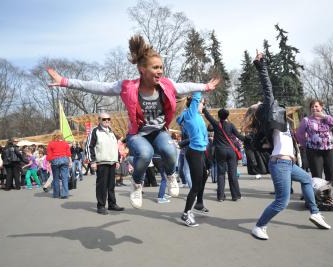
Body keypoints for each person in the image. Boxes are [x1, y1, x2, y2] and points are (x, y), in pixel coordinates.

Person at [47, 35, 219, 209]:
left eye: (161, 67)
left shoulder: (166, 85)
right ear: (142, 69)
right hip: (138, 134)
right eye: (155, 67)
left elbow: (186, 86)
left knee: (170, 150)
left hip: (159, 132)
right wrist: (65, 82)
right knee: (145, 154)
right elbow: (98, 86)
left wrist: (205, 87)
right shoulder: (127, 87)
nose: (160, 71)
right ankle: (137, 185)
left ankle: (170, 175)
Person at [251, 50, 331, 240]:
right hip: (280, 164)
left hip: (289, 163)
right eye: (262, 103)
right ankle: (259, 226)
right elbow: (267, 88)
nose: (265, 101)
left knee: (305, 179)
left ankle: (315, 212)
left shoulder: (282, 123)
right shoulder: (270, 116)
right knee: (282, 201)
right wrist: (261, 65)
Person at [177, 93, 210, 227]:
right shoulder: (190, 114)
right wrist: (200, 87)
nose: (204, 106)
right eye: (202, 103)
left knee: (205, 175)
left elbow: (204, 134)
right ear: (195, 104)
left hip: (201, 151)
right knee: (196, 185)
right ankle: (186, 214)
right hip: (194, 152)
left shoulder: (197, 116)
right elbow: (196, 96)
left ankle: (199, 203)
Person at [85, 113, 124, 214]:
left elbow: (116, 146)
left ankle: (112, 204)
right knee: (102, 185)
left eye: (108, 119)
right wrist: (92, 161)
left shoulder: (111, 132)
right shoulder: (95, 131)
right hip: (101, 162)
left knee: (111, 185)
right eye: (104, 119)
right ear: (99, 120)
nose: (107, 121)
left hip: (112, 162)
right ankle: (101, 206)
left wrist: (117, 159)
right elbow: (89, 146)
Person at [203, 107, 245, 201]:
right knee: (232, 174)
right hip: (231, 151)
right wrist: (249, 140)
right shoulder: (231, 125)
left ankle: (221, 196)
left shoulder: (216, 124)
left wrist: (204, 108)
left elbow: (208, 116)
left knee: (221, 174)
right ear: (227, 115)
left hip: (220, 151)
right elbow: (239, 136)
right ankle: (235, 195)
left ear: (218, 116)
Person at [296, 100, 333, 188]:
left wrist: (324, 116)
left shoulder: (328, 118)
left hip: (329, 149)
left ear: (321, 107)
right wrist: (305, 144)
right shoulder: (306, 120)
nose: (314, 108)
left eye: (316, 106)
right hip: (314, 150)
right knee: (317, 174)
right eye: (312, 107)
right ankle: (318, 195)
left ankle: (330, 194)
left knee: (330, 173)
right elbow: (299, 134)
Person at [46, 132, 72, 199]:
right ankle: (65, 194)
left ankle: (56, 194)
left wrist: (49, 161)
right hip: (64, 159)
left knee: (56, 178)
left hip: (55, 160)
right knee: (64, 178)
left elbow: (49, 154)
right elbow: (68, 153)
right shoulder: (65, 143)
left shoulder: (51, 143)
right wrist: (70, 162)